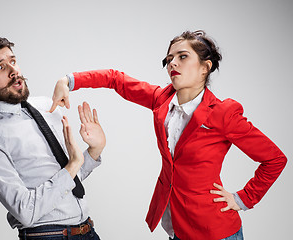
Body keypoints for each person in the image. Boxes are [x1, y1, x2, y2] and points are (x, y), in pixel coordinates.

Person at [50, 30, 287, 240]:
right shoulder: (160, 99)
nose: (173, 63)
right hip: (176, 226)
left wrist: (243, 198)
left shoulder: (224, 113)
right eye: (169, 58)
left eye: (183, 56)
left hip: (214, 231)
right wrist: (69, 81)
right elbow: (116, 80)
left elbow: (275, 159)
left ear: (205, 67)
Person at [0, 36, 106, 240]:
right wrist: (73, 165)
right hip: (47, 236)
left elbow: (68, 180)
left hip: (87, 231)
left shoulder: (47, 106)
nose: (14, 71)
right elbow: (25, 211)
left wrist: (94, 150)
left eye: (12, 61)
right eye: (0, 67)